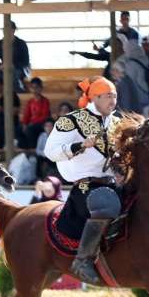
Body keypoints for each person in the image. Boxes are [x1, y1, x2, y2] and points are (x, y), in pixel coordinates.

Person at [44, 76, 121, 284]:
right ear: (95, 98)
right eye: (108, 96)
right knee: (105, 203)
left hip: (113, 182)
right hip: (87, 184)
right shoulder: (72, 119)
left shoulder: (117, 123)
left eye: (115, 95)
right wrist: (79, 147)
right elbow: (50, 151)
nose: (113, 100)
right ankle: (83, 260)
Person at [0, 20, 30, 93]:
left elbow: (26, 62)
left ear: (13, 30)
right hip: (3, 68)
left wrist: (14, 66)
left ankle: (17, 93)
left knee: (13, 74)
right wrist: (0, 66)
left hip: (19, 69)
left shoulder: (21, 43)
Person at [20, 77, 51, 148]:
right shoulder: (30, 102)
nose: (34, 90)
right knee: (19, 128)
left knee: (31, 129)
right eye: (32, 88)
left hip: (41, 124)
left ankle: (33, 149)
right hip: (31, 124)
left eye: (36, 87)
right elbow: (26, 115)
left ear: (40, 88)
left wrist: (32, 122)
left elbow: (45, 116)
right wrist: (24, 124)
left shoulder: (45, 101)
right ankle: (22, 147)